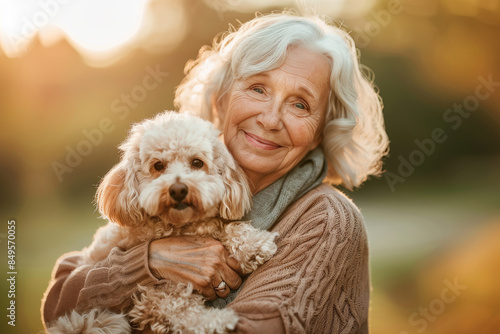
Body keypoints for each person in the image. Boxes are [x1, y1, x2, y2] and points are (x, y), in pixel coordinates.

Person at [42, 12, 389, 333]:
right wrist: (148, 262)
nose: (270, 119)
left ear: (321, 131)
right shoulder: (158, 204)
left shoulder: (328, 219)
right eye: (258, 88)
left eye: (300, 104)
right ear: (221, 98)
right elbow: (58, 304)